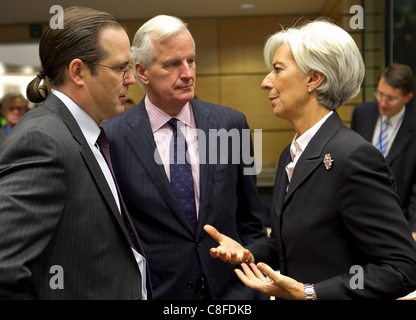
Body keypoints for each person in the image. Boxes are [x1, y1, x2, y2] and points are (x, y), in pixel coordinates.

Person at [204, 18, 416, 300]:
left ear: (314, 79)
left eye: (278, 69)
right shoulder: (291, 153)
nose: (265, 82)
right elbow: (289, 243)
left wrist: (311, 293)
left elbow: (402, 269)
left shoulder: (353, 157)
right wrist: (247, 252)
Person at [101, 15, 266, 300]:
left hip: (233, 294)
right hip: (159, 293)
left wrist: (252, 273)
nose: (187, 73)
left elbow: (251, 220)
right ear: (142, 72)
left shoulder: (230, 124)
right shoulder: (111, 137)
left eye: (191, 61)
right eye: (172, 64)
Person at [0, 6, 152, 300]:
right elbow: (5, 271)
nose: (131, 79)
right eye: (121, 68)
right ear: (78, 71)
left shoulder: (85, 133)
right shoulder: (43, 141)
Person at [351, 64, 416, 241]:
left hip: (396, 220)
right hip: (357, 214)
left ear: (407, 97)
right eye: (380, 94)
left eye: (391, 98)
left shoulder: (413, 126)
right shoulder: (362, 113)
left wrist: (414, 229)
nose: (383, 102)